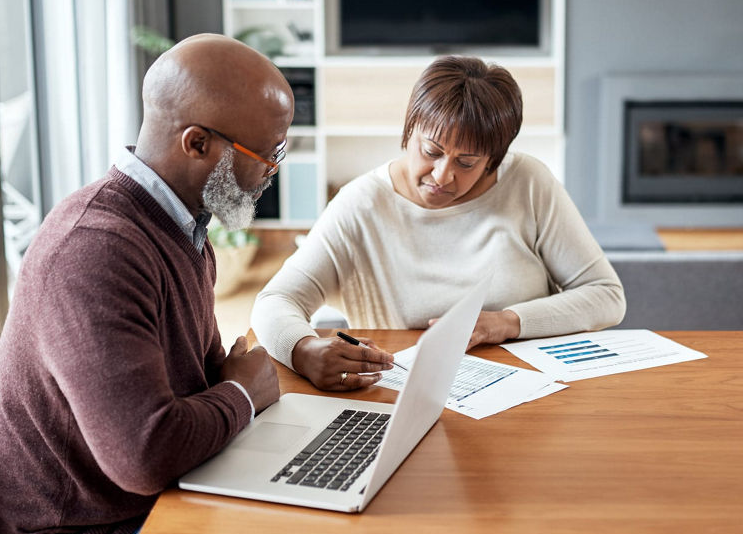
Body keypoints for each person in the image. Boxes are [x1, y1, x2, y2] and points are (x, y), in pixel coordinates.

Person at [0, 34, 291, 534]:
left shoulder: (182, 229)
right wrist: (243, 397)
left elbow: (205, 379)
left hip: (144, 506)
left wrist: (242, 388)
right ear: (197, 143)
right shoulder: (95, 251)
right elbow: (143, 455)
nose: (271, 170)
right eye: (266, 153)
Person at [252, 56, 625, 391]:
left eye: (467, 163)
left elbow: (606, 296)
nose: (442, 177)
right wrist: (304, 350)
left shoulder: (528, 182)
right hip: (406, 395)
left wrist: (507, 322)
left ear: (493, 160)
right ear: (409, 129)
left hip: (537, 390)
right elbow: (276, 300)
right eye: (431, 151)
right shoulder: (361, 204)